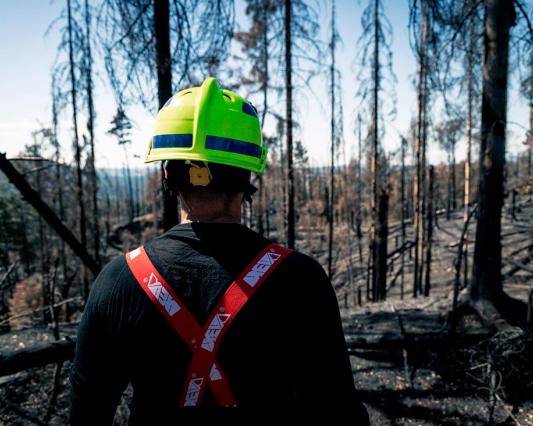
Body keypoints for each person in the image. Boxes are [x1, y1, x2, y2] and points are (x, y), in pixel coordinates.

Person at [68, 77, 371, 425]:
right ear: (248, 169)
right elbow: (337, 409)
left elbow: (86, 412)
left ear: (168, 172)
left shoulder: (118, 281)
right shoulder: (300, 279)